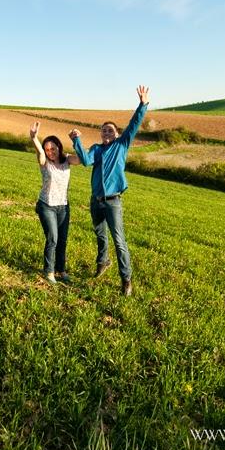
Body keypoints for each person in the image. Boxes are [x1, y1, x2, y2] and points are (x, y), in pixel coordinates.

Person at [69, 85, 149, 296]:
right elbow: (85, 161)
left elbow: (134, 125)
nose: (106, 132)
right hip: (96, 201)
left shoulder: (121, 145)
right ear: (101, 133)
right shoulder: (96, 149)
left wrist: (142, 105)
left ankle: (126, 279)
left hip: (113, 202)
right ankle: (103, 262)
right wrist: (76, 140)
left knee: (119, 241)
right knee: (100, 235)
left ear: (117, 134)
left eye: (110, 130)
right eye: (104, 130)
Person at [30, 121, 81, 284]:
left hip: (63, 206)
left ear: (59, 147)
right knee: (53, 238)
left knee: (63, 240)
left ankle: (61, 270)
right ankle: (49, 271)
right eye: (47, 149)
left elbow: (81, 159)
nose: (50, 152)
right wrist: (34, 138)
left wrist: (76, 140)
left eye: (53, 148)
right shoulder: (45, 163)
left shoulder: (67, 160)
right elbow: (40, 154)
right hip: (46, 205)